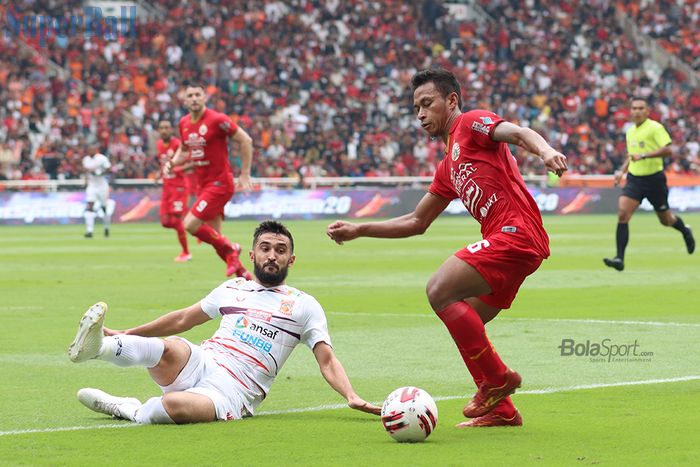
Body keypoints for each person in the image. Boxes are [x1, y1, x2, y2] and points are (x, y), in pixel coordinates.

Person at [327, 68, 568, 428]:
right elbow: (416, 222)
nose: (421, 114)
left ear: (451, 101)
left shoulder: (471, 124)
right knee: (466, 321)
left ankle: (499, 379)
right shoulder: (448, 166)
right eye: (416, 108)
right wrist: (361, 229)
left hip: (515, 233)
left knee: (439, 289)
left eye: (427, 103)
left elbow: (517, 132)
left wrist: (545, 150)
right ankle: (501, 410)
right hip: (512, 243)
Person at [68, 220, 381, 424]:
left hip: (234, 391)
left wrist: (351, 395)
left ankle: (129, 409)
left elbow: (327, 360)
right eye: (266, 248)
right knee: (171, 347)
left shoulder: (304, 305)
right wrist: (127, 331)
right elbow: (182, 319)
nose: (272, 255)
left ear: (291, 260)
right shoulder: (233, 288)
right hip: (204, 360)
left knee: (174, 406)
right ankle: (100, 346)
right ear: (252, 255)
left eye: (281, 250)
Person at [166, 83, 253, 278]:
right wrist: (172, 162)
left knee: (190, 225)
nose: (194, 98)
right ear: (185, 100)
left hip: (220, 183)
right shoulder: (184, 123)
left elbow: (245, 140)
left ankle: (232, 248)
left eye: (198, 94)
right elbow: (184, 149)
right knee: (215, 238)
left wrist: (245, 173)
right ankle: (244, 276)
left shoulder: (217, 120)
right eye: (190, 95)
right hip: (202, 185)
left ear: (204, 97)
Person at [604, 96, 694, 271]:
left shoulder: (655, 127)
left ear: (647, 111)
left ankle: (685, 231)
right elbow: (631, 156)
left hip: (654, 180)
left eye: (640, 108)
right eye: (634, 108)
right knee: (623, 213)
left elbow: (668, 150)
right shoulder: (630, 131)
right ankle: (619, 258)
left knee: (666, 220)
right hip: (635, 179)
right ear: (630, 111)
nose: (637, 111)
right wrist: (621, 172)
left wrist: (645, 155)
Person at [155, 119, 191, 262]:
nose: (164, 130)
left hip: (179, 187)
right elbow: (164, 164)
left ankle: (186, 252)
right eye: (162, 128)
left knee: (176, 220)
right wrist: (160, 173)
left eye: (167, 127)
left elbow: (190, 164)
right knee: (165, 221)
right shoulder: (159, 145)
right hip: (167, 187)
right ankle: (193, 221)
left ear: (171, 130)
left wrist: (174, 169)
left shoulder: (177, 144)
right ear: (158, 130)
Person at [82, 146, 112, 238]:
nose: (90, 151)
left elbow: (109, 169)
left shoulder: (102, 158)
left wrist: (100, 173)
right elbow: (86, 172)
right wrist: (85, 182)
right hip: (92, 185)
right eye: (89, 149)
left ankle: (106, 227)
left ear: (96, 150)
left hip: (102, 185)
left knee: (104, 207)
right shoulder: (86, 160)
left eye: (92, 149)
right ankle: (89, 231)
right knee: (90, 205)